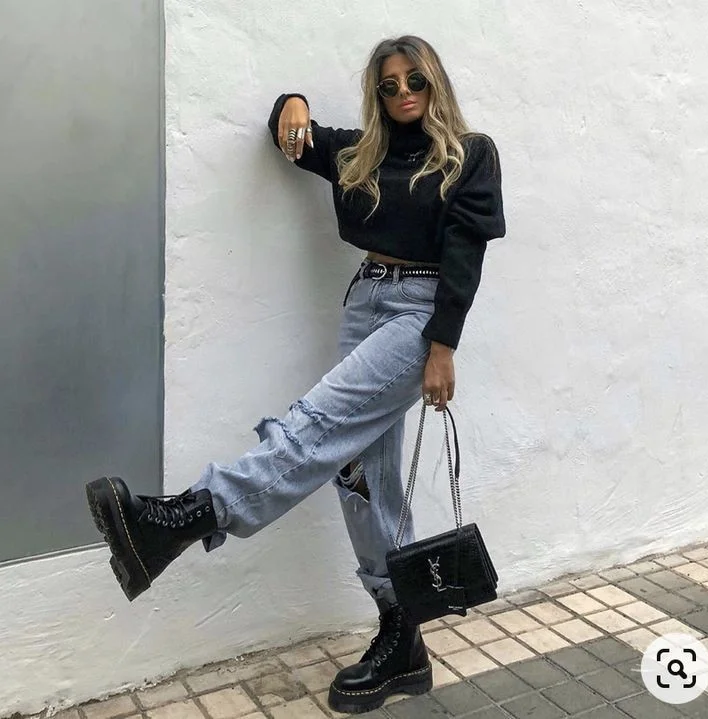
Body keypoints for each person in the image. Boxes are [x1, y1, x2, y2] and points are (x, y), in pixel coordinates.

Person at [85, 34, 505, 714]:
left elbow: (466, 254)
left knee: (318, 421)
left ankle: (189, 515)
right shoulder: (361, 153)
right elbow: (291, 135)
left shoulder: (469, 153)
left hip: (420, 313)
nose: (403, 93)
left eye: (415, 80)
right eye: (390, 84)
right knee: (359, 474)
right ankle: (401, 637)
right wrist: (294, 102)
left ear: (436, 83)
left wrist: (442, 346)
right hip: (365, 301)